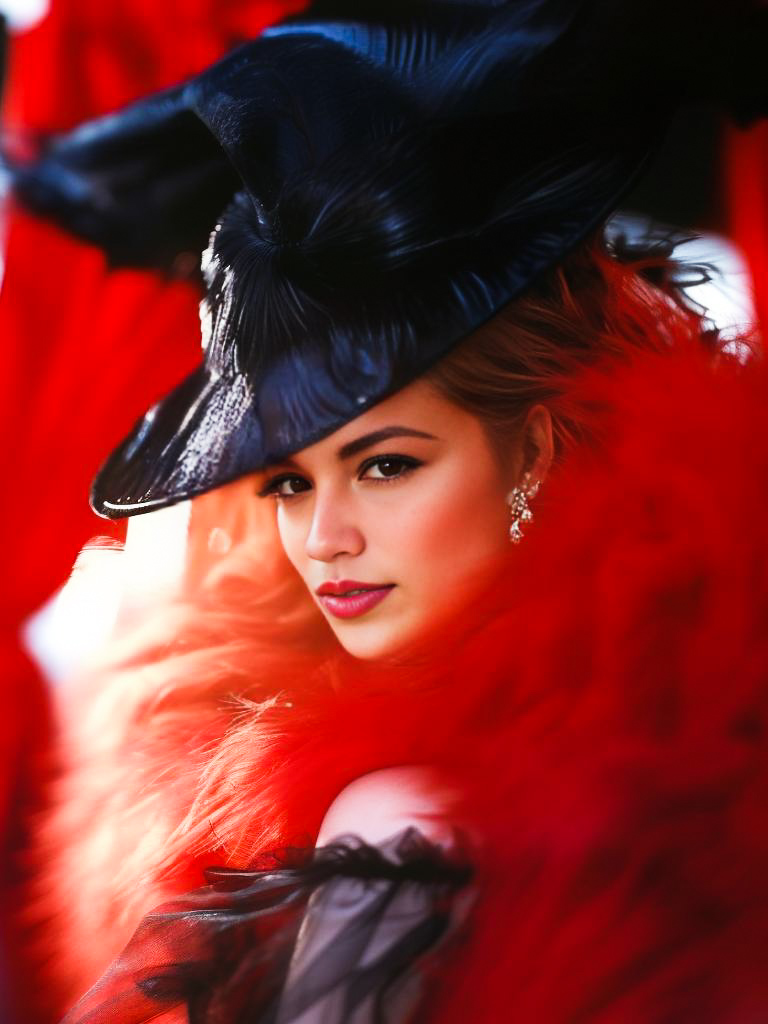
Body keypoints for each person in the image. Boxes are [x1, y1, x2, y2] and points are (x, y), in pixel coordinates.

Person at [7, 1, 768, 1021]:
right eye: (288, 480)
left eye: (386, 465)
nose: (325, 537)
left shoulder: (397, 823)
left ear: (532, 446)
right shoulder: (678, 762)